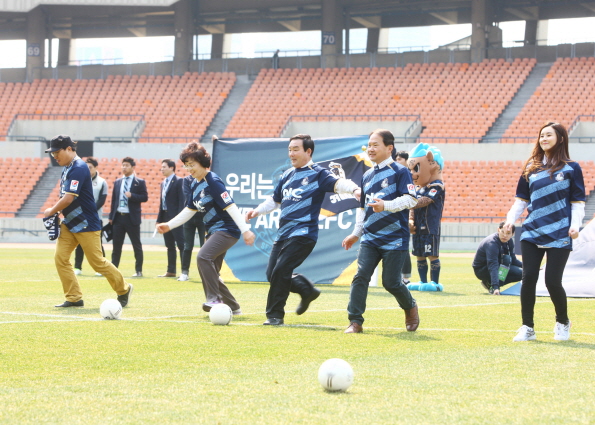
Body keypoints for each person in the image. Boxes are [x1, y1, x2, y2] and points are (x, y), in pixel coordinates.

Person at [245, 134, 361, 326]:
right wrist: (256, 211)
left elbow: (340, 183)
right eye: (290, 149)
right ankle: (307, 291)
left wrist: (355, 189)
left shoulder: (318, 173)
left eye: (296, 149)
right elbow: (275, 201)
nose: (291, 153)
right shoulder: (287, 175)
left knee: (281, 269)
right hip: (283, 234)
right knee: (272, 273)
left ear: (308, 151)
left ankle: (274, 316)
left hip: (304, 233)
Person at [505, 122, 585, 342]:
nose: (543, 139)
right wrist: (510, 222)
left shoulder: (572, 168)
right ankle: (527, 327)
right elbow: (520, 201)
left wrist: (575, 225)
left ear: (560, 138)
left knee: (552, 281)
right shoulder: (530, 167)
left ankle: (562, 322)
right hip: (532, 231)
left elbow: (578, 202)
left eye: (548, 135)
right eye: (541, 135)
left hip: (560, 232)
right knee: (528, 277)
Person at [156, 141, 255, 314]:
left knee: (203, 257)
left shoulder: (213, 181)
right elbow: (189, 210)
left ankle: (214, 300)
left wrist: (245, 230)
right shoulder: (194, 183)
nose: (189, 169)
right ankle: (233, 306)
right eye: (186, 166)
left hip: (227, 230)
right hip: (213, 231)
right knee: (211, 272)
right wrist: (169, 225)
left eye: (192, 165)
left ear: (203, 163)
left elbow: (231, 206)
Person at [341, 130, 419, 333]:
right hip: (370, 238)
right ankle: (355, 322)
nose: (370, 149)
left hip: (395, 237)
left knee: (391, 283)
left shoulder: (400, 172)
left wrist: (386, 206)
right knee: (360, 276)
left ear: (389, 148)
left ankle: (410, 306)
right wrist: (356, 233)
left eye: (375, 145)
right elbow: (362, 209)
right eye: (369, 145)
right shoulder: (366, 176)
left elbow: (411, 199)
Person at [43, 135, 133, 308]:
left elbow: (69, 198)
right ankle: (74, 297)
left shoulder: (78, 167)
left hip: (86, 223)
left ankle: (124, 289)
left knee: (97, 263)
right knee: (61, 258)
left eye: (56, 152)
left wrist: (50, 211)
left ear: (69, 149)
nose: (54, 156)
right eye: (52, 153)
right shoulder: (68, 167)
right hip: (69, 222)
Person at [406, 143, 446, 292]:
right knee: (419, 255)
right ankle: (423, 282)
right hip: (417, 227)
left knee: (432, 255)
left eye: (415, 168)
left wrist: (404, 202)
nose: (412, 173)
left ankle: (434, 282)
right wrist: (410, 220)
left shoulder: (437, 186)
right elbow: (413, 207)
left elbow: (424, 201)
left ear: (432, 163)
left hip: (430, 227)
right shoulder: (418, 188)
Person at [109, 157, 148, 277]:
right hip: (118, 218)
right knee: (116, 246)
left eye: (126, 165)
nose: (124, 167)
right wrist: (111, 217)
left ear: (132, 167)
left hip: (132, 218)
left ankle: (138, 271)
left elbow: (144, 197)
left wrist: (132, 195)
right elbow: (114, 200)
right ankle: (113, 270)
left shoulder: (139, 182)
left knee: (136, 245)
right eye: (123, 165)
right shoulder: (117, 182)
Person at [73, 157, 107, 277]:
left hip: (96, 218)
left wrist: (90, 210)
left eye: (90, 167)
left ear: (95, 168)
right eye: (86, 167)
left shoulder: (102, 182)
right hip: (81, 217)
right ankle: (77, 267)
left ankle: (101, 268)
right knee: (80, 243)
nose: (88, 170)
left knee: (97, 244)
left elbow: (102, 200)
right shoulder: (80, 180)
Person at [472, 222, 523, 295]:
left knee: (523, 274)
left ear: (513, 234)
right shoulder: (492, 243)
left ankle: (488, 283)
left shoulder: (509, 242)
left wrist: (530, 267)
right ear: (498, 230)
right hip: (482, 270)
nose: (505, 235)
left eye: (508, 233)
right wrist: (496, 287)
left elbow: (514, 260)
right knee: (506, 259)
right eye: (503, 232)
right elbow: (492, 265)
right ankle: (493, 287)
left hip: (498, 265)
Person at [156, 159, 185, 278]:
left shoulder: (179, 181)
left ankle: (184, 271)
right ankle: (171, 271)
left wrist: (179, 218)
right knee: (169, 245)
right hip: (165, 217)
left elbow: (181, 201)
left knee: (181, 245)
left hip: (176, 218)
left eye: (164, 167)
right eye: (161, 167)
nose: (162, 169)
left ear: (172, 167)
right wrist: (159, 219)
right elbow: (161, 203)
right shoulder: (163, 183)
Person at [178, 174, 206, 281]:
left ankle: (207, 273)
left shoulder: (207, 178)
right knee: (187, 246)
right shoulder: (187, 179)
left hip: (204, 215)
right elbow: (188, 195)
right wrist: (201, 200)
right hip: (189, 214)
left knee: (205, 247)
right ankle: (184, 272)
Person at [395, 150, 412, 285]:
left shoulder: (409, 175)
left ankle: (406, 277)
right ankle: (397, 276)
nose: (397, 161)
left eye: (400, 159)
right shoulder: (395, 174)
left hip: (404, 217)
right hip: (393, 214)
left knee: (403, 247)